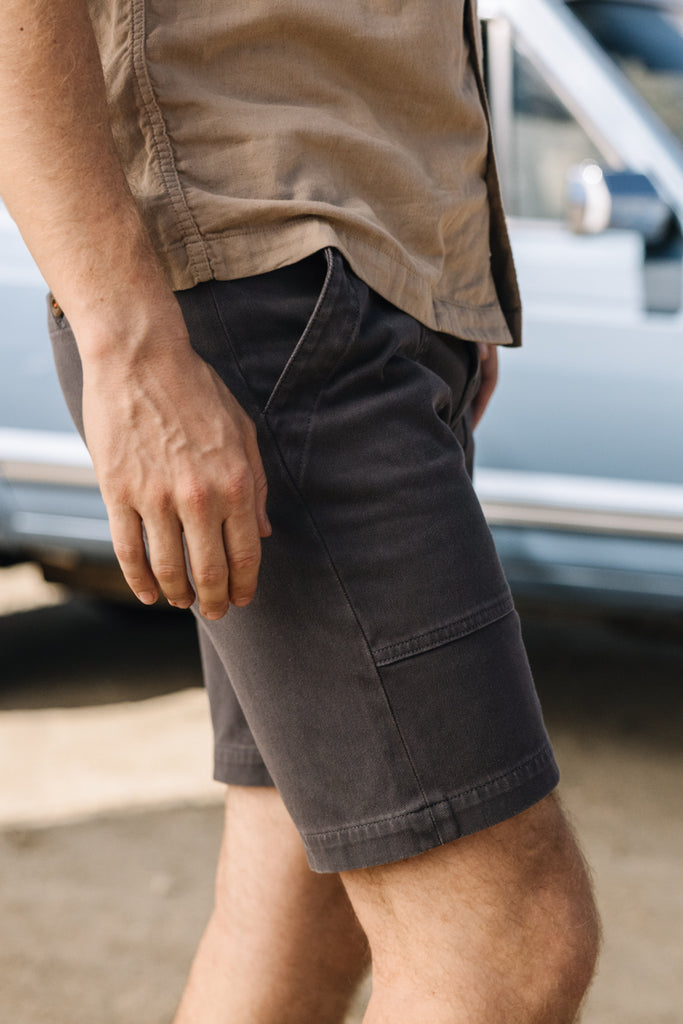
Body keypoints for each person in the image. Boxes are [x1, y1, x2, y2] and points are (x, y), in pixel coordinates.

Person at [0, 1, 600, 1021]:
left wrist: (439, 274)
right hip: (262, 272)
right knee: (503, 941)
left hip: (357, 269)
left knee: (299, 900)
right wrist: (126, 341)